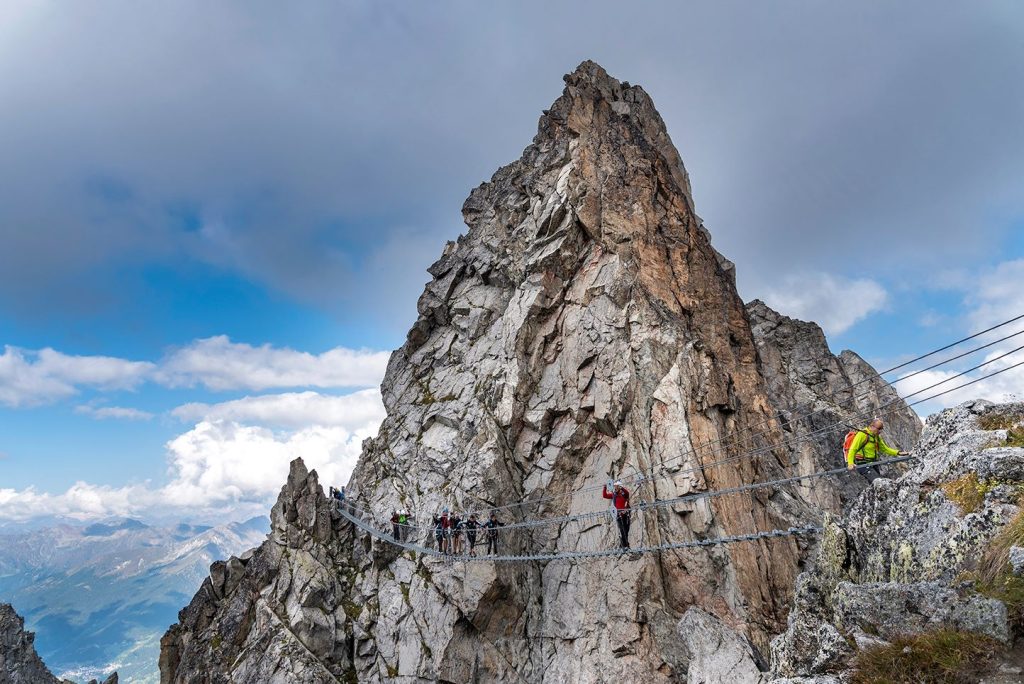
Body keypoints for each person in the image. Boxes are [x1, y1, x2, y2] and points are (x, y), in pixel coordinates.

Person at [846, 418, 909, 482]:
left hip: (873, 463)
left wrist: (898, 453)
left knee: (876, 484)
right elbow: (853, 449)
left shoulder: (876, 437)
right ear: (872, 426)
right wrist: (850, 463)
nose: (880, 431)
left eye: (881, 429)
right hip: (863, 464)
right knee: (878, 482)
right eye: (879, 429)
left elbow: (885, 449)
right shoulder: (862, 434)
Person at [602, 480, 631, 549]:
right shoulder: (614, 495)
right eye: (615, 487)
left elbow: (627, 493)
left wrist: (621, 487)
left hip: (626, 514)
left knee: (626, 530)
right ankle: (625, 545)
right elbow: (605, 495)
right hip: (618, 515)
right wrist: (605, 487)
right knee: (622, 530)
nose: (616, 489)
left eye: (617, 487)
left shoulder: (624, 495)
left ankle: (624, 544)